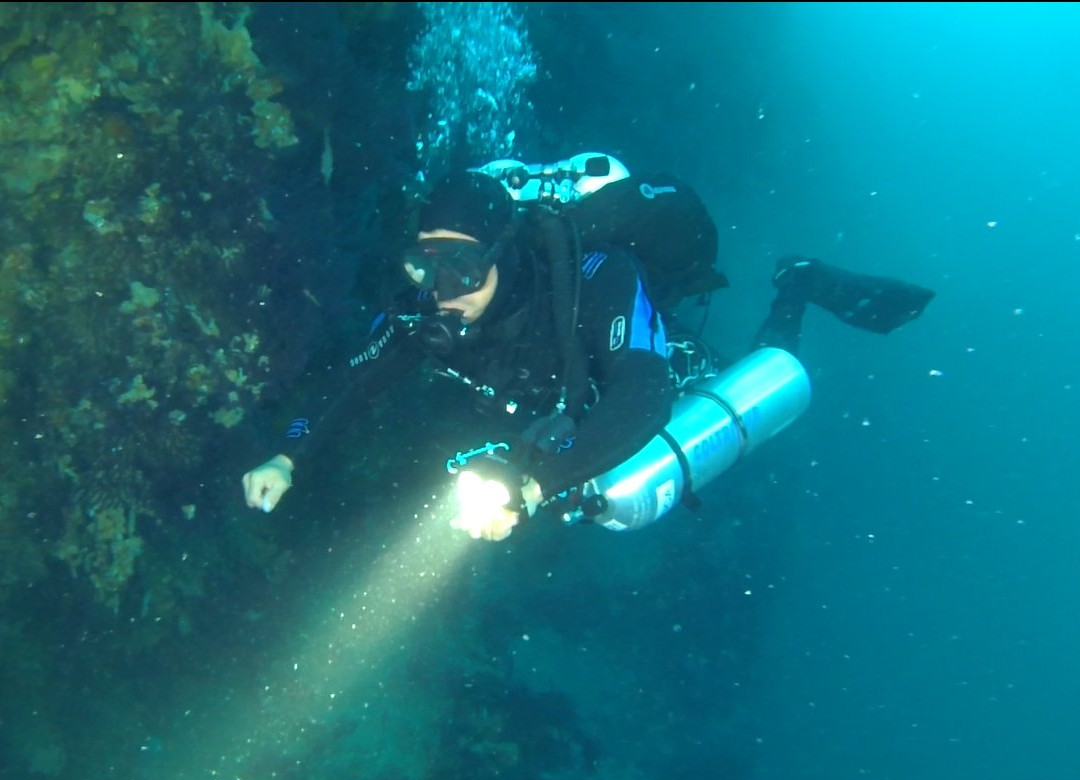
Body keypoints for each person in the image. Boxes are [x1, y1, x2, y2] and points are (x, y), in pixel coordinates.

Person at [241, 166, 935, 541]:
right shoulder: (425, 312)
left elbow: (641, 394)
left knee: (749, 385)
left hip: (633, 372)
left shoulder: (597, 275)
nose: (439, 293)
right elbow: (348, 385)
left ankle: (796, 287)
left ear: (505, 255)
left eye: (461, 270)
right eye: (424, 267)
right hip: (548, 418)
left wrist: (535, 483)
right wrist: (288, 452)